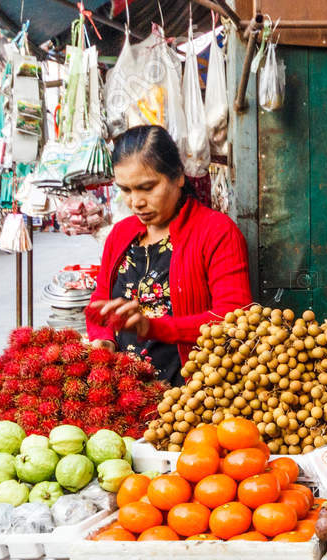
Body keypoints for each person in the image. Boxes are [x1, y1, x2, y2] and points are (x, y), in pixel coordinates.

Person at [86, 125, 252, 384]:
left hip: (191, 396)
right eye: (126, 190)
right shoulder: (120, 234)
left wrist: (153, 327)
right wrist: (104, 339)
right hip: (125, 392)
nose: (136, 202)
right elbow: (100, 301)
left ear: (178, 177)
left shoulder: (216, 232)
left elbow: (234, 317)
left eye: (147, 187)